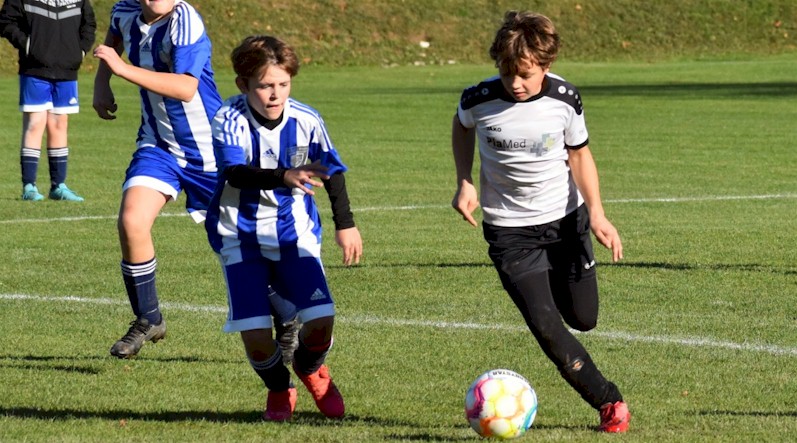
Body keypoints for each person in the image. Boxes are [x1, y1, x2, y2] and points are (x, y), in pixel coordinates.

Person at [451, 11, 631, 433]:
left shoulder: (565, 98)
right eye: (507, 72)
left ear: (546, 66)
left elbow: (580, 154)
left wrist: (598, 214)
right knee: (547, 328)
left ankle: (559, 282)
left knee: (584, 318)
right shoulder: (477, 98)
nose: (515, 83)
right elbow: (461, 128)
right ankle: (609, 402)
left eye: (526, 74)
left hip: (567, 221)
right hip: (510, 232)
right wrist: (464, 180)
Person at [91, 0, 300, 360]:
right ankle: (148, 318)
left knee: (236, 248)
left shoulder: (185, 21)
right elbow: (112, 43)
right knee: (132, 221)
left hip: (210, 152)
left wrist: (121, 70)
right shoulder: (124, 11)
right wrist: (101, 83)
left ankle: (288, 317)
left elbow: (186, 88)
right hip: (158, 146)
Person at [206, 35, 362, 421]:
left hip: (295, 236)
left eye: (283, 84)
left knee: (322, 318)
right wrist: (283, 175)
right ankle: (279, 388)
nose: (275, 94)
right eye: (264, 85)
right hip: (240, 237)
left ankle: (310, 370)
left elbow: (332, 169)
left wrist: (346, 224)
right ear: (244, 85)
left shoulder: (306, 119)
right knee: (257, 337)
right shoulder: (229, 119)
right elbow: (236, 173)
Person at [0, 0, 96, 201]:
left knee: (59, 124)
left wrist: (79, 51)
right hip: (35, 70)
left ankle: (58, 186)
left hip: (67, 72)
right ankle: (29, 187)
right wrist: (28, 45)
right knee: (35, 123)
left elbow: (89, 24)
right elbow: (5, 21)